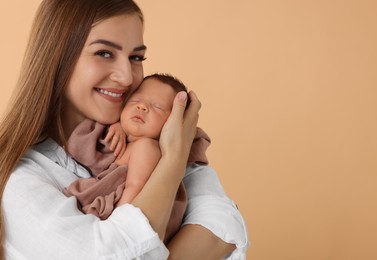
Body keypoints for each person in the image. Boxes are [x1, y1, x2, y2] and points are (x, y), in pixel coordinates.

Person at [0, 0, 249, 259]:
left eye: (136, 58)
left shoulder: (153, 131)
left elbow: (224, 225)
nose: (127, 77)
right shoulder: (16, 180)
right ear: (57, 56)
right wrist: (173, 158)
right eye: (104, 53)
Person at [64, 73, 211, 243]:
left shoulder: (146, 148)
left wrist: (115, 227)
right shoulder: (124, 139)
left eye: (157, 106)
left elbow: (135, 188)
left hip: (126, 220)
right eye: (135, 101)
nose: (142, 106)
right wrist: (118, 124)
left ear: (173, 122)